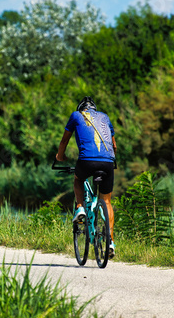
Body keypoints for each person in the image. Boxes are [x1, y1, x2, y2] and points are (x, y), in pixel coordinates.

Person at [56, 96, 117, 258]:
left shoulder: (76, 115)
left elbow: (64, 142)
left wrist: (60, 157)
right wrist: (110, 160)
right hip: (108, 163)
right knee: (107, 202)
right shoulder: (104, 117)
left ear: (81, 108)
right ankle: (110, 241)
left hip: (86, 162)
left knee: (78, 179)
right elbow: (114, 146)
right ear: (94, 109)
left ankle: (80, 208)